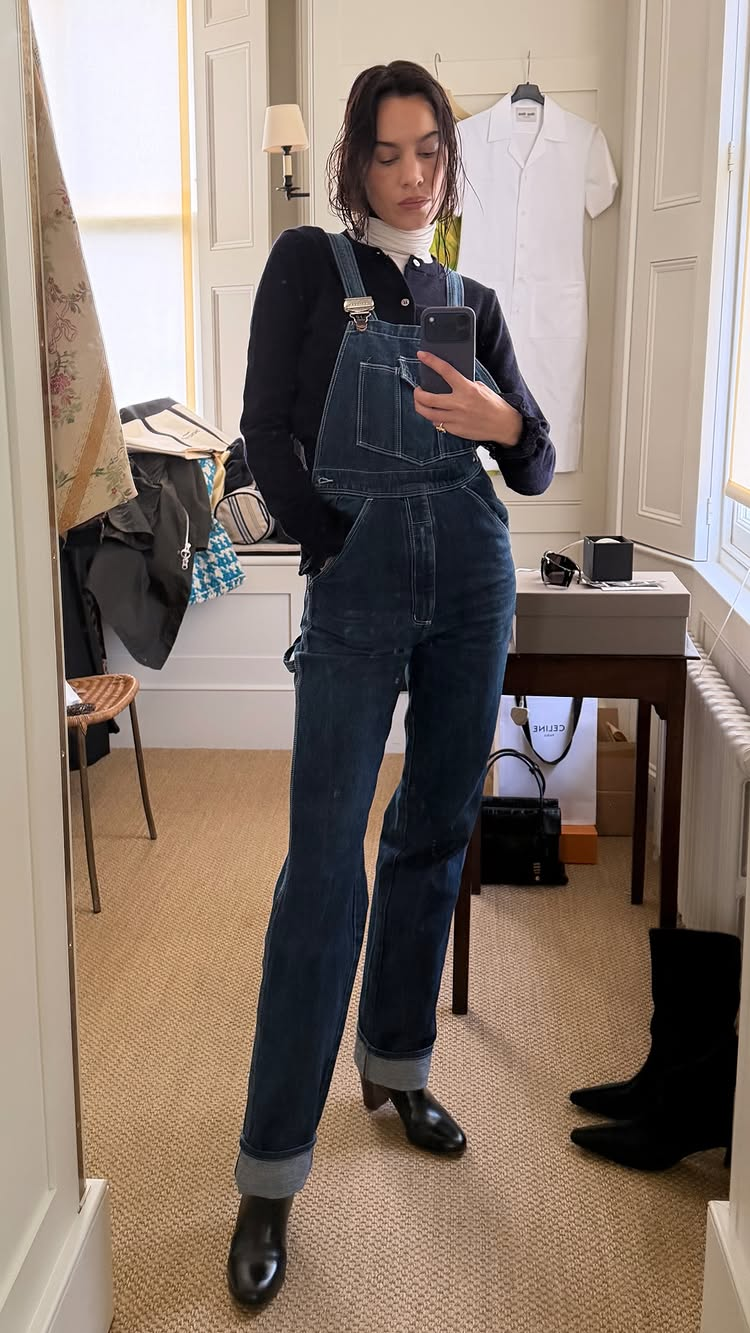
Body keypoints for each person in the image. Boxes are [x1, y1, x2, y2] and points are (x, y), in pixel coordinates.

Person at [227, 60, 555, 1309]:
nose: (413, 178)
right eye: (388, 154)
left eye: (430, 154)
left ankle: (399, 1061)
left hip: (474, 576)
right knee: (325, 865)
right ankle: (270, 1172)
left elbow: (536, 460)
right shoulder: (310, 269)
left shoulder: (472, 298)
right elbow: (263, 426)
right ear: (353, 161)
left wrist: (501, 422)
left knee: (436, 829)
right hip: (361, 584)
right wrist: (333, 536)